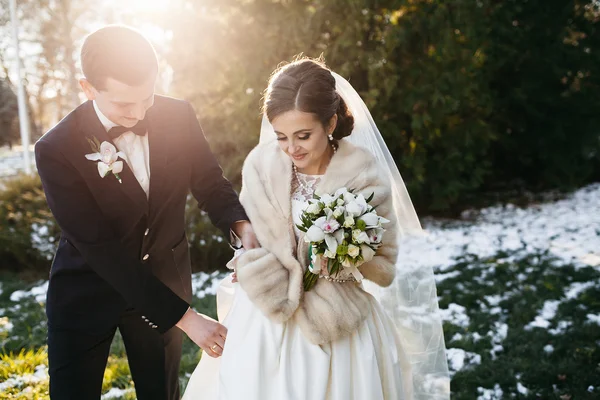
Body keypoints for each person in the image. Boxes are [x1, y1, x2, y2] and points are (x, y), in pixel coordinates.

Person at [183, 58, 449, 399]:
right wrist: (250, 259)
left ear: (330, 123)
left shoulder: (363, 177)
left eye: (303, 136)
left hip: (338, 317)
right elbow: (254, 236)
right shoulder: (265, 170)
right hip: (268, 314)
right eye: (281, 137)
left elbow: (382, 266)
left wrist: (343, 258)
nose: (292, 148)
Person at [34, 25, 258, 399]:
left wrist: (241, 226)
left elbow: (209, 183)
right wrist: (187, 319)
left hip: (164, 279)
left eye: (147, 97)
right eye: (123, 104)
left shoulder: (179, 115)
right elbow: (100, 247)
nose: (138, 114)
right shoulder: (55, 148)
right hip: (87, 291)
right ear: (87, 88)